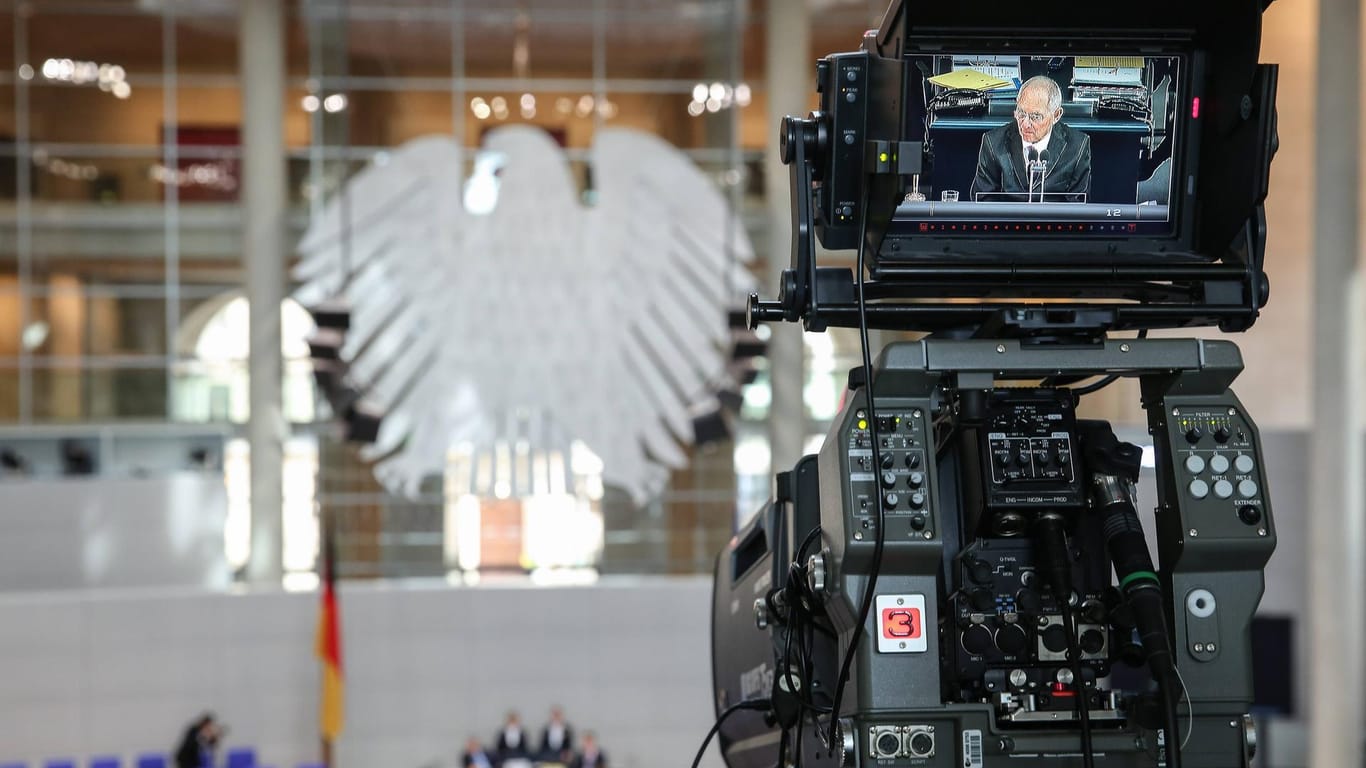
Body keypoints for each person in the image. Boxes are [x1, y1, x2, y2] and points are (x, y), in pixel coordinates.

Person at [969, 75, 1091, 203]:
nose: (1025, 124)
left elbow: (1078, 207)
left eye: (1035, 116)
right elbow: (982, 201)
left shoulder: (1078, 147)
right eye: (1021, 113)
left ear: (1056, 115)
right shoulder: (993, 142)